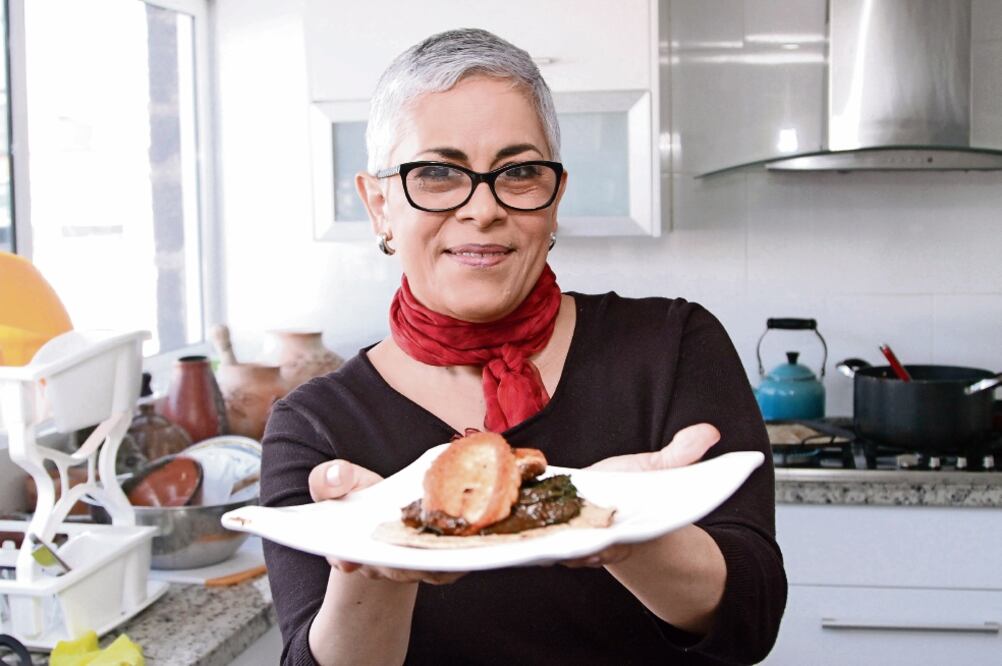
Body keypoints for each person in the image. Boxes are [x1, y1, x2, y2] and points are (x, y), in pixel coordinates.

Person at [261, 28, 786, 666]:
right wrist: (372, 562)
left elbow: (751, 621)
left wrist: (620, 524)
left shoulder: (674, 346)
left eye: (519, 172)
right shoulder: (315, 428)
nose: (483, 209)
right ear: (379, 206)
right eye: (436, 172)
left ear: (554, 199)